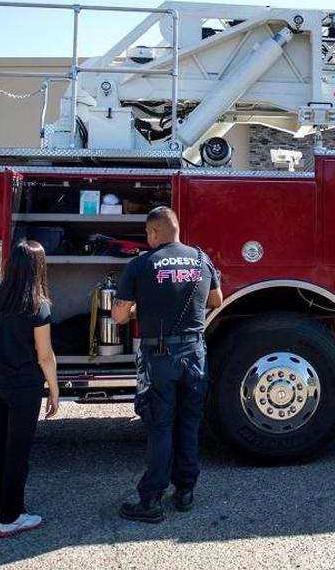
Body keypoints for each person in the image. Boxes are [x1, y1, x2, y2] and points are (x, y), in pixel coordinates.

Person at [113, 207, 222, 523]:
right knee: (188, 423)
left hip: (159, 357)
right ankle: (185, 491)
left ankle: (151, 500)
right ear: (177, 229)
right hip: (195, 355)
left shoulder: (142, 264)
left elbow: (119, 316)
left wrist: (140, 311)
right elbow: (216, 300)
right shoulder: (202, 260)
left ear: (153, 233)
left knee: (160, 426)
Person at [0, 240, 60, 538]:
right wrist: (54, 389)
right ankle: (12, 516)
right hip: (23, 387)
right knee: (17, 452)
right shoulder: (38, 306)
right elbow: (45, 355)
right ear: (38, 269)